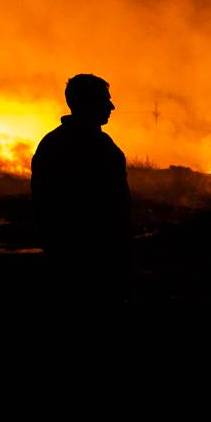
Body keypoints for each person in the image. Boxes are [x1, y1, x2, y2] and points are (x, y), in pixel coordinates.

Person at [31, 74, 132, 307]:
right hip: (86, 254)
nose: (111, 106)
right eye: (105, 100)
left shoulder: (60, 144)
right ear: (87, 104)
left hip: (80, 251)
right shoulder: (90, 146)